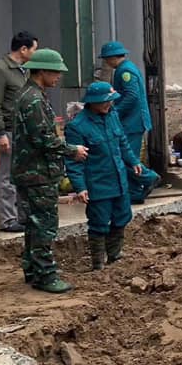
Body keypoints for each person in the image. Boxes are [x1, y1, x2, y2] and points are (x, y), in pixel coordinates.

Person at [11, 48, 88, 292]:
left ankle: (32, 268)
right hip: (37, 172)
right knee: (44, 224)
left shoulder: (32, 94)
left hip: (33, 171)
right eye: (55, 72)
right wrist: (72, 149)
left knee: (34, 224)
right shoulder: (33, 99)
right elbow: (43, 139)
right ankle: (45, 275)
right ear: (42, 70)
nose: (58, 77)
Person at [65, 82, 143, 270]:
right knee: (99, 222)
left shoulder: (112, 115)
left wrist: (133, 161)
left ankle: (115, 256)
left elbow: (122, 141)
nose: (109, 105)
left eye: (110, 101)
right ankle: (98, 263)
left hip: (119, 178)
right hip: (98, 182)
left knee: (122, 216)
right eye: (104, 102)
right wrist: (80, 186)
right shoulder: (77, 126)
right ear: (92, 102)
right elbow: (74, 161)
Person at [0, 31, 38, 232]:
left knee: (23, 175)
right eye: (34, 49)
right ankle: (7, 220)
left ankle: (22, 216)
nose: (35, 53)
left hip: (23, 131)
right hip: (8, 130)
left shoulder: (24, 71)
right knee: (7, 176)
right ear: (23, 49)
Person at [99, 42, 160, 204]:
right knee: (126, 156)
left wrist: (114, 113)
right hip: (133, 121)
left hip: (132, 123)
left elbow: (131, 96)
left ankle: (149, 177)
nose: (106, 62)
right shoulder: (126, 68)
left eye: (106, 59)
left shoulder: (124, 71)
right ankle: (134, 192)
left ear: (112, 57)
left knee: (126, 158)